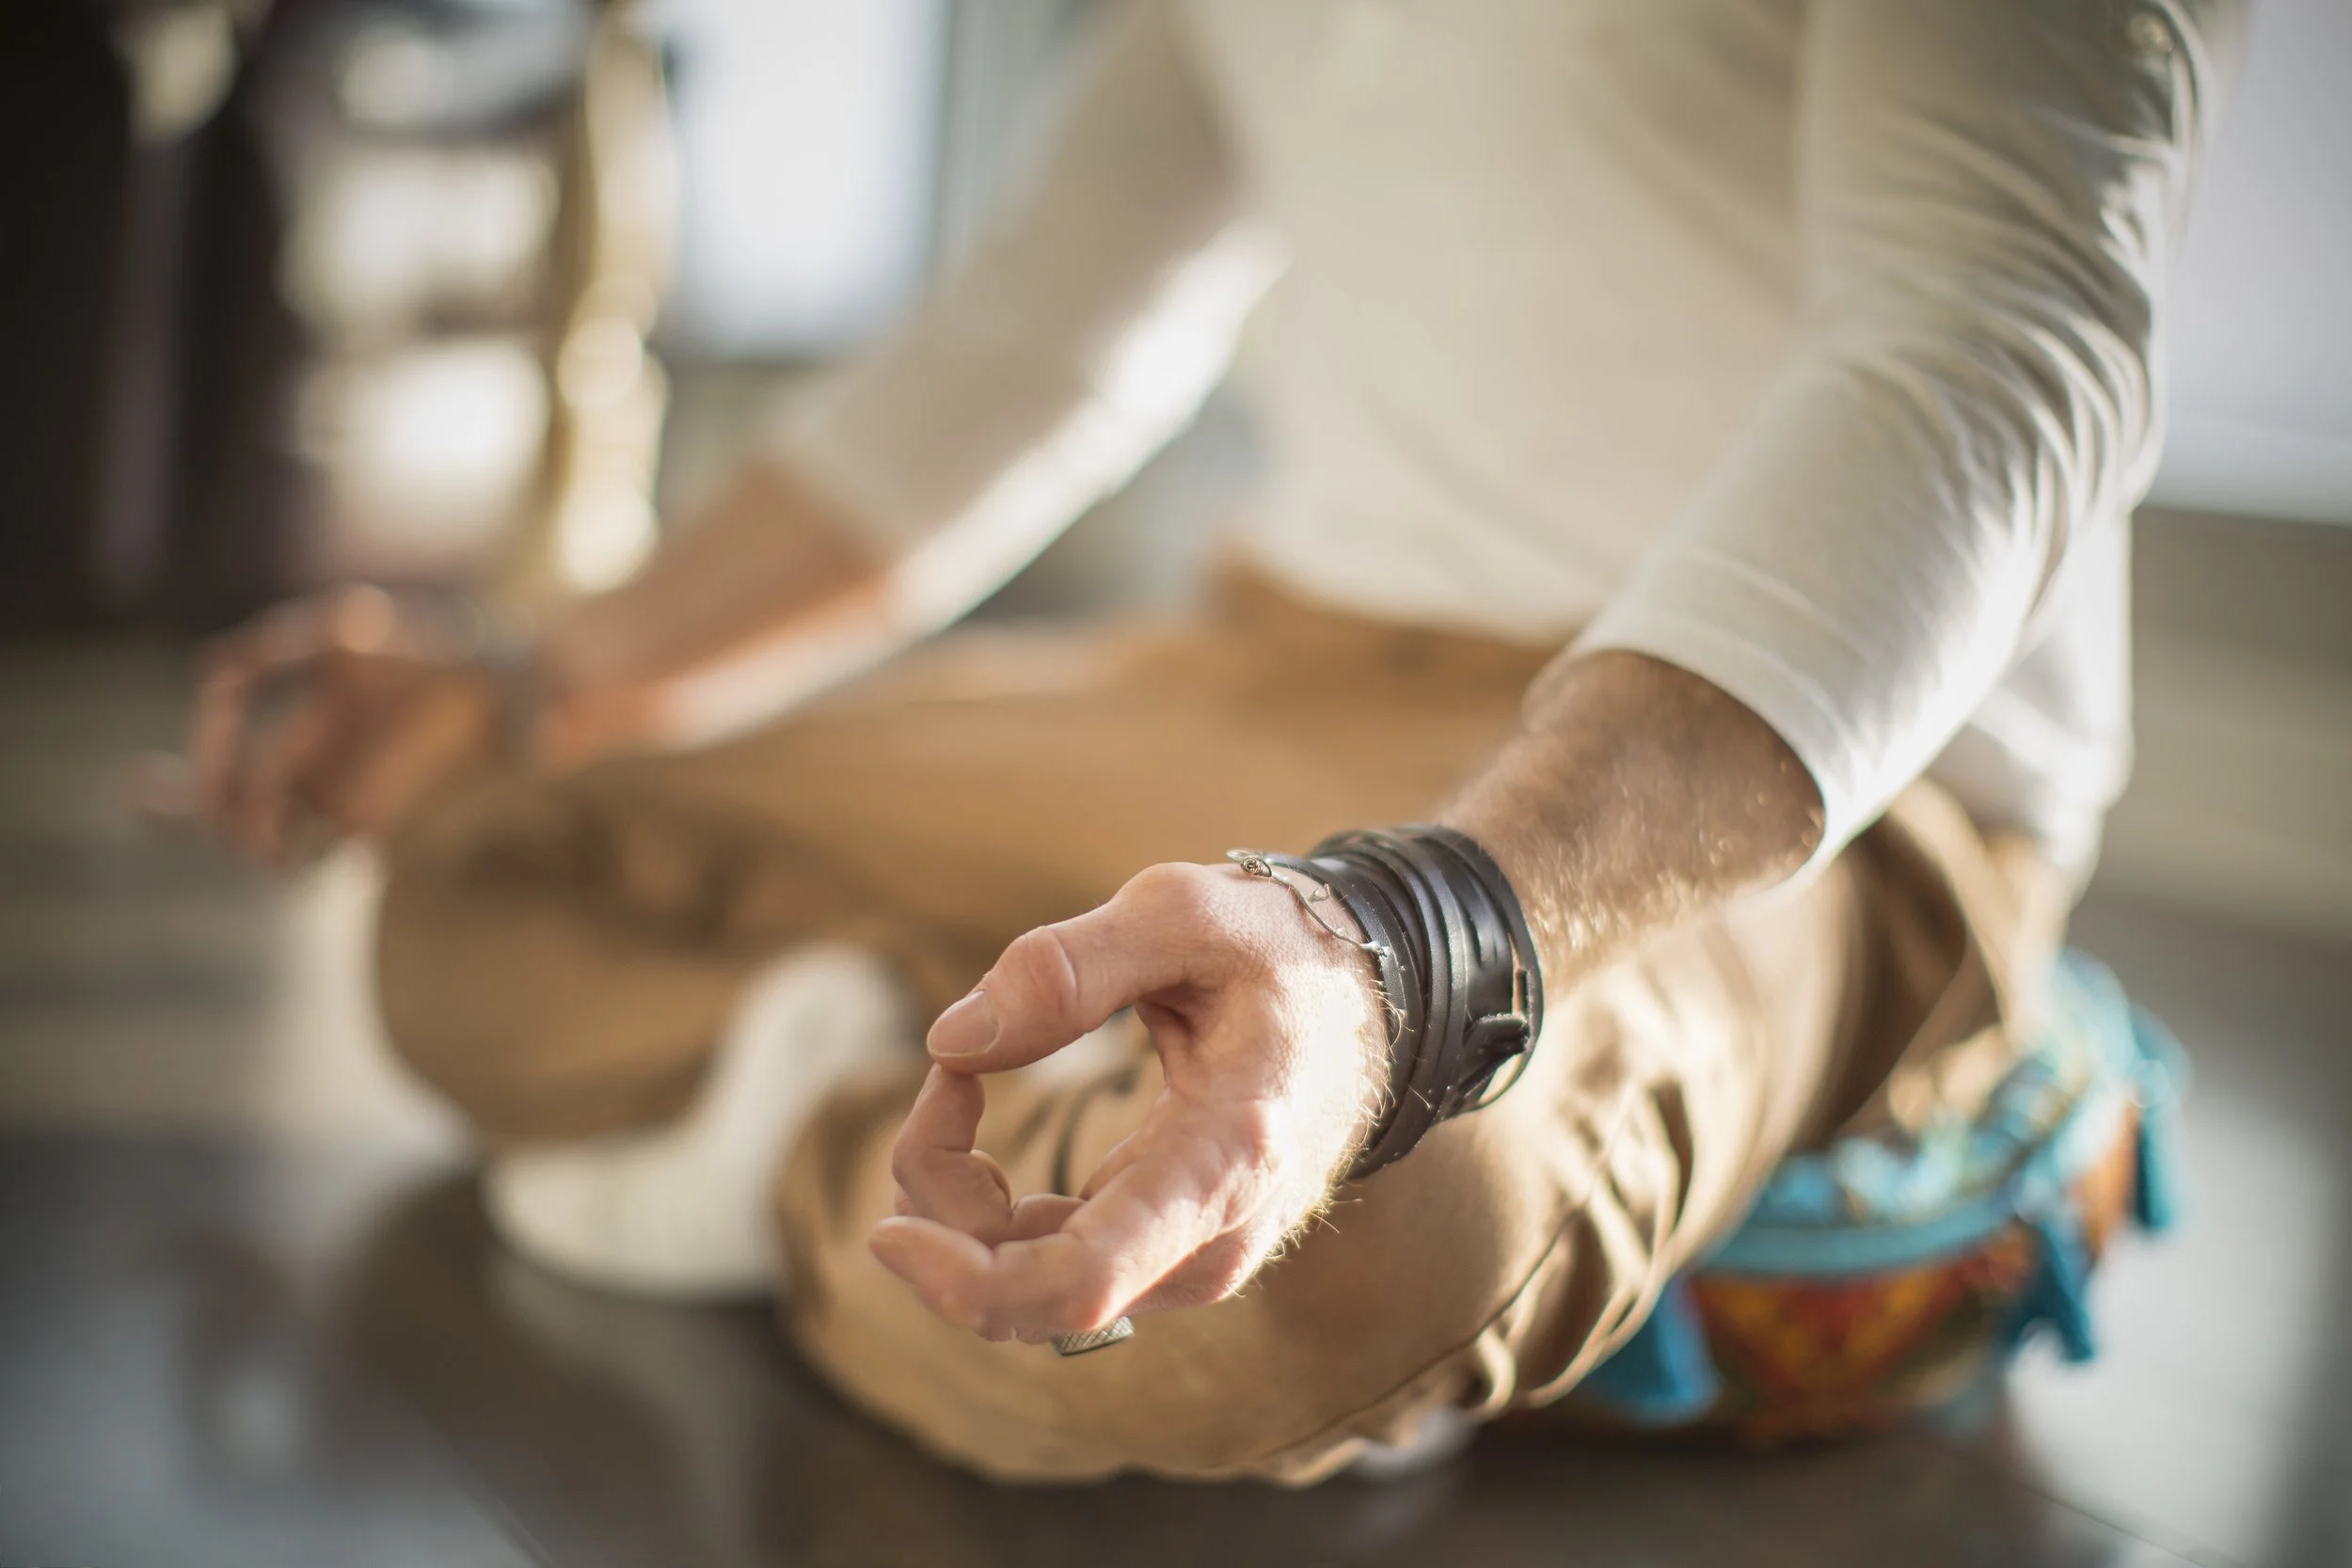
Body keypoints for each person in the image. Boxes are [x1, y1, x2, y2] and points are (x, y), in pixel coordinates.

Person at [186, 0, 2242, 1482]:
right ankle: (908, 1130)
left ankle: (820, 1152)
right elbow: (1036, 335)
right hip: (1277, 654)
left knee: (1336, 1246)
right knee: (472, 875)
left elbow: (1992, 342)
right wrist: (529, 682)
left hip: (1757, 779)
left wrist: (1413, 942)